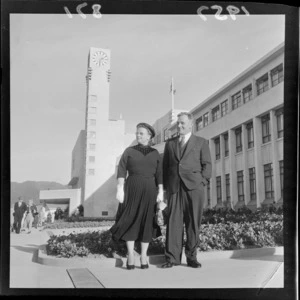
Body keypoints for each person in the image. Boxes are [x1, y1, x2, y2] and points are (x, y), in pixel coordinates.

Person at [110, 122, 164, 270]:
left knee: (147, 221)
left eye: (141, 133)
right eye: (137, 133)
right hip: (132, 188)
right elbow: (121, 171)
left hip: (150, 190)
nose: (138, 135)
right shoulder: (129, 151)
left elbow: (159, 174)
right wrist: (120, 189)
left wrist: (160, 192)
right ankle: (131, 255)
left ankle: (144, 255)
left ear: (149, 136)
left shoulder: (155, 153)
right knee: (130, 219)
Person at [161, 112, 212, 268]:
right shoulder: (170, 144)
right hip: (175, 188)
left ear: (191, 124)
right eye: (178, 123)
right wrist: (164, 189)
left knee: (192, 223)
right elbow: (165, 167)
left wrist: (202, 182)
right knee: (173, 223)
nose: (180, 126)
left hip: (194, 188)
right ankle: (172, 259)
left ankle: (191, 258)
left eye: (183, 123)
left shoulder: (201, 142)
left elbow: (207, 165)